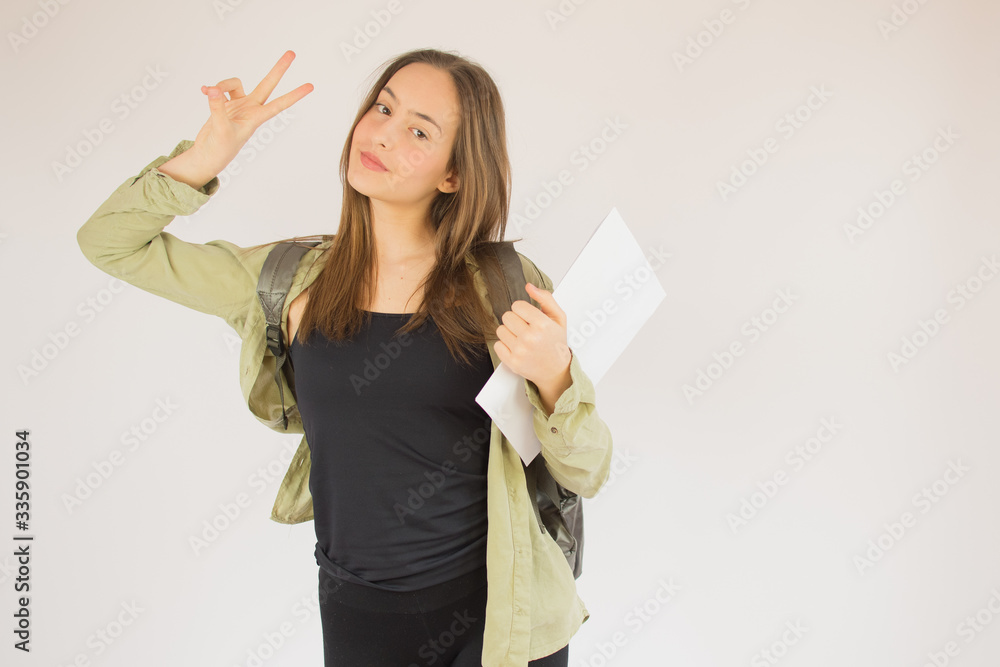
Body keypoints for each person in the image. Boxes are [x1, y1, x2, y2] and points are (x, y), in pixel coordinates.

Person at [77, 48, 614, 666]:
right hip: (359, 612)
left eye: (419, 131)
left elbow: (587, 471)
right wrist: (204, 158)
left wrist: (554, 376)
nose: (382, 134)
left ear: (454, 174)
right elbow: (108, 244)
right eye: (382, 108)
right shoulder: (286, 282)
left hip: (503, 614)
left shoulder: (504, 287)